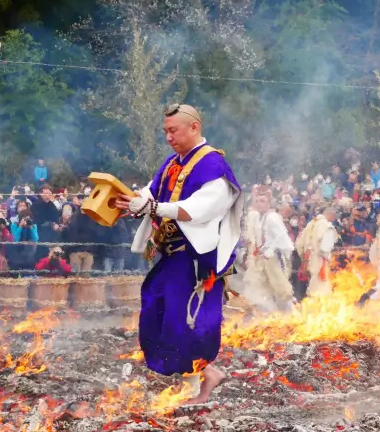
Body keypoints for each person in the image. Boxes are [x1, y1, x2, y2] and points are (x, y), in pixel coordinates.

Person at [114, 104, 244, 406]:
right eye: (166, 131)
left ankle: (196, 386)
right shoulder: (172, 164)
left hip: (196, 259)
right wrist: (128, 201)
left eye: (173, 131)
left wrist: (152, 207)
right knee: (155, 311)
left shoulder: (213, 166)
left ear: (194, 127)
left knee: (185, 320)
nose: (168, 137)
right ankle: (202, 376)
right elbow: (150, 192)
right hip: (172, 256)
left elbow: (197, 211)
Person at [243, 192, 295, 312]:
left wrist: (269, 251)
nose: (259, 204)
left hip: (274, 258)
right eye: (257, 201)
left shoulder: (272, 217)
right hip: (261, 258)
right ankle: (269, 314)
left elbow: (282, 238)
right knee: (261, 286)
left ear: (269, 204)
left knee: (281, 289)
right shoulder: (258, 217)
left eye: (262, 201)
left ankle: (290, 314)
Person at [294, 207, 339, 297]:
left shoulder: (311, 224)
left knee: (312, 285)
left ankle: (311, 303)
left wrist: (304, 258)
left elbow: (299, 244)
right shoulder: (327, 226)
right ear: (332, 215)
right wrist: (330, 259)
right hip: (321, 262)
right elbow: (325, 249)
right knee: (322, 288)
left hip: (309, 260)